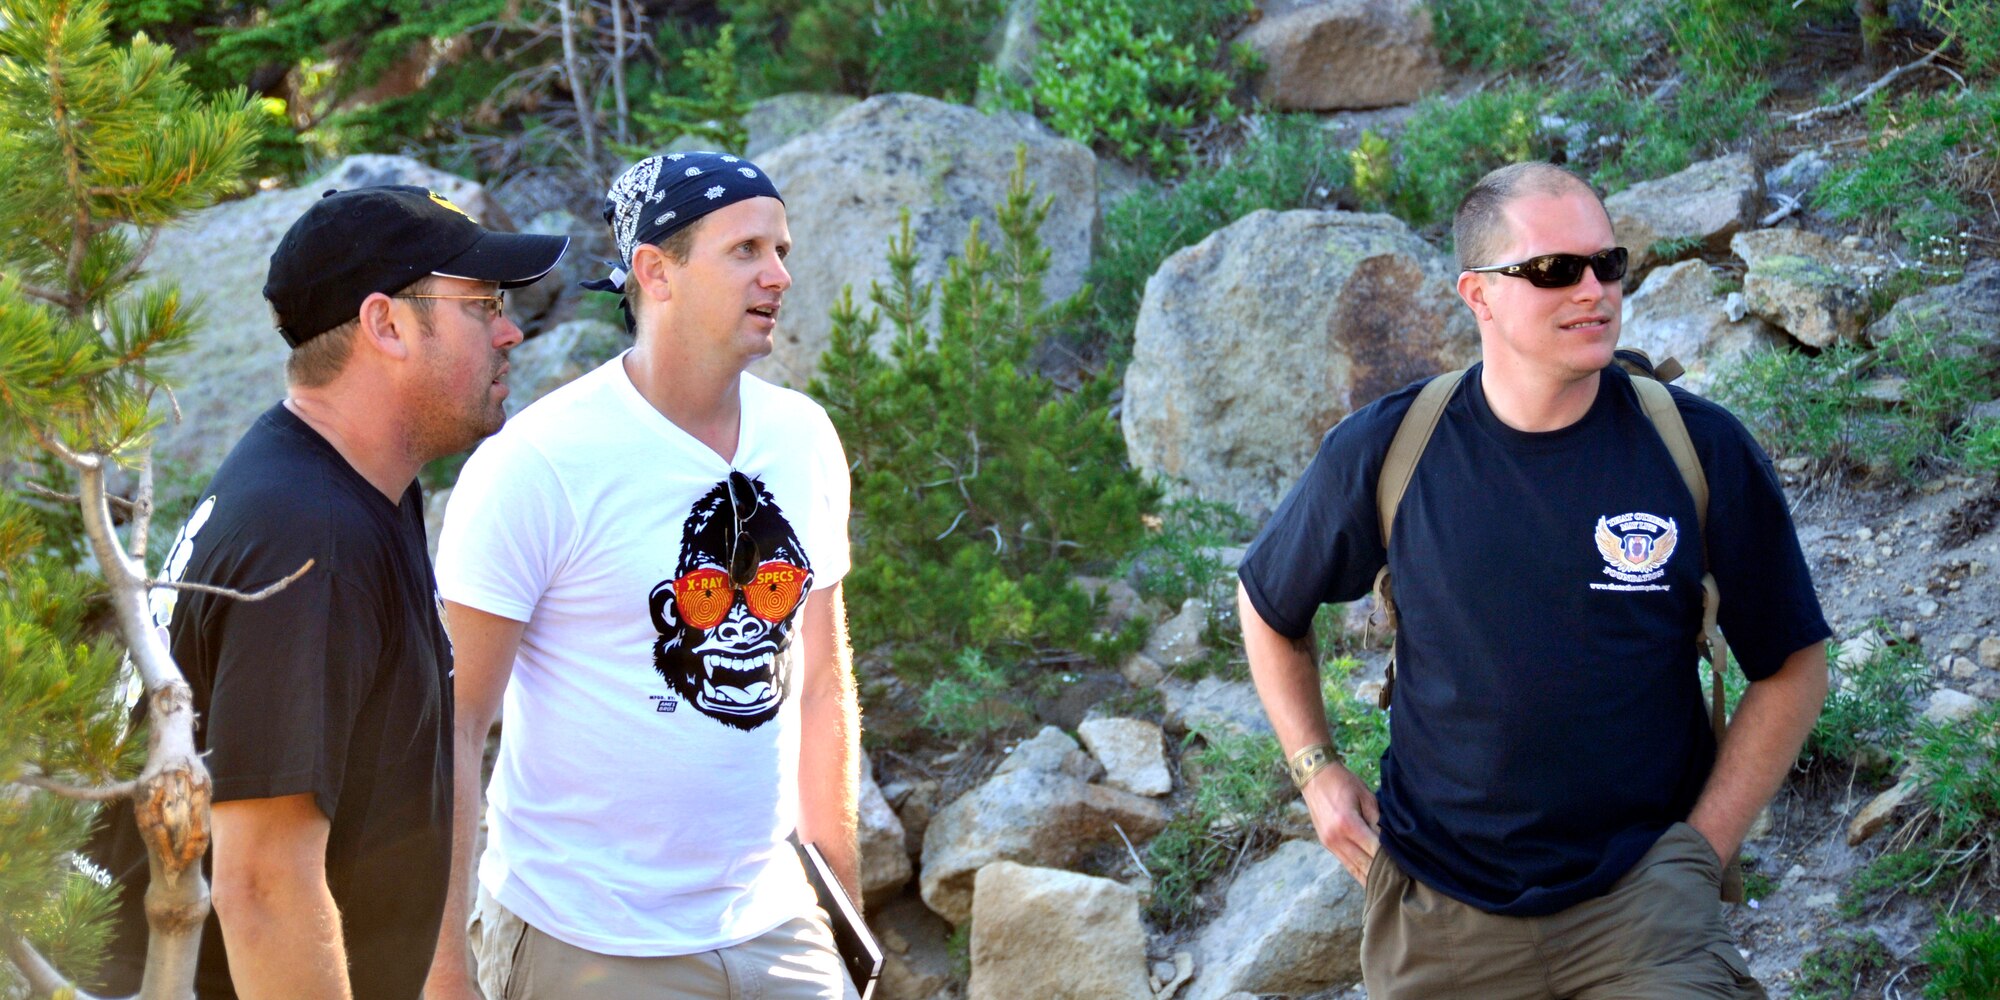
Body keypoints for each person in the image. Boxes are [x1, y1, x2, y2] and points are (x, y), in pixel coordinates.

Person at [1236, 161, 1830, 999]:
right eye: (1555, 270)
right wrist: (1316, 770)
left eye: (1608, 264)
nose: (1593, 290)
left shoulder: (1699, 450)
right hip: (1439, 918)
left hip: (1642, 910)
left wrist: (1701, 852)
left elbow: (1794, 663)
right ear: (1477, 294)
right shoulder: (1388, 452)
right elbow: (1266, 605)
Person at [84, 185, 569, 999]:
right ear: (385, 325)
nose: (510, 330)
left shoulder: (347, 482)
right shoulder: (310, 539)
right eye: (481, 304)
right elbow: (264, 887)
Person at [423, 150, 860, 1000]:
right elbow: (453, 723)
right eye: (747, 251)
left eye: (783, 250)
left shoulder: (804, 440)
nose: (779, 275)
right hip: (588, 940)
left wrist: (841, 910)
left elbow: (819, 688)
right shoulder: (539, 464)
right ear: (656, 272)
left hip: (776, 924)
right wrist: (443, 972)